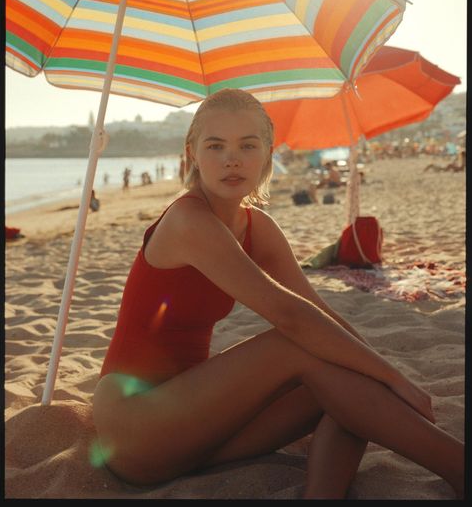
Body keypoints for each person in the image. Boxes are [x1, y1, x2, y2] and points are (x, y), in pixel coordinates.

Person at [93, 89, 463, 499]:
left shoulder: (258, 227)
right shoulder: (187, 220)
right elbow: (292, 318)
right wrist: (395, 378)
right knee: (298, 347)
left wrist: (380, 373)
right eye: (215, 146)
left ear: (268, 154)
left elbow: (316, 310)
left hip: (198, 426)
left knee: (342, 382)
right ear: (192, 153)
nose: (231, 159)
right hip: (136, 430)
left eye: (247, 145)